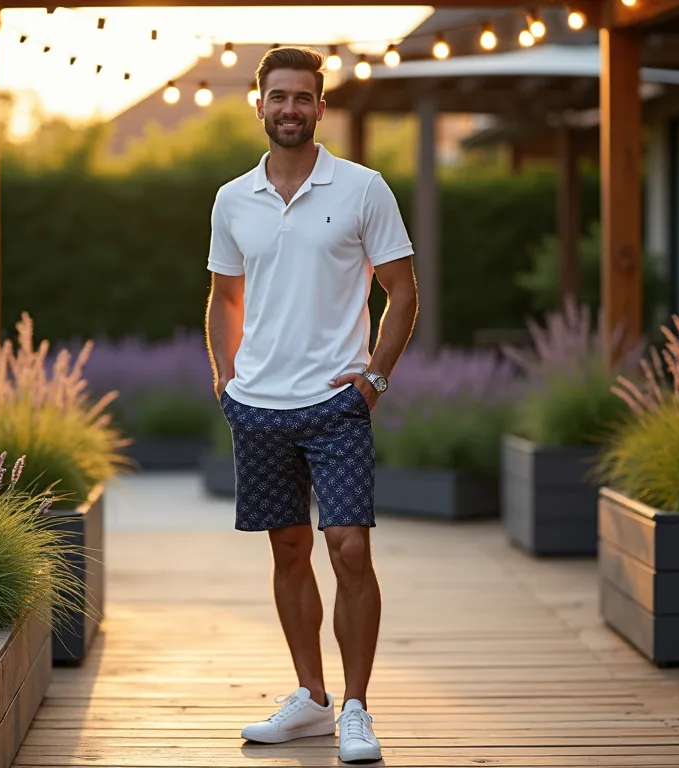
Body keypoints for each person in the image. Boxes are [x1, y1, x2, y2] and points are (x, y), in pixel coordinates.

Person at [204, 45, 418, 765]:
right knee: (288, 549)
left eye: (303, 97)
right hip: (258, 406)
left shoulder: (363, 188)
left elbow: (403, 292)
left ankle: (357, 708)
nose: (290, 108)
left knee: (349, 548)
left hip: (336, 405)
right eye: (278, 97)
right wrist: (224, 379)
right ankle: (311, 700)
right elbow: (224, 297)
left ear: (320, 108)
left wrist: (374, 380)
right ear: (258, 104)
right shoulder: (234, 197)